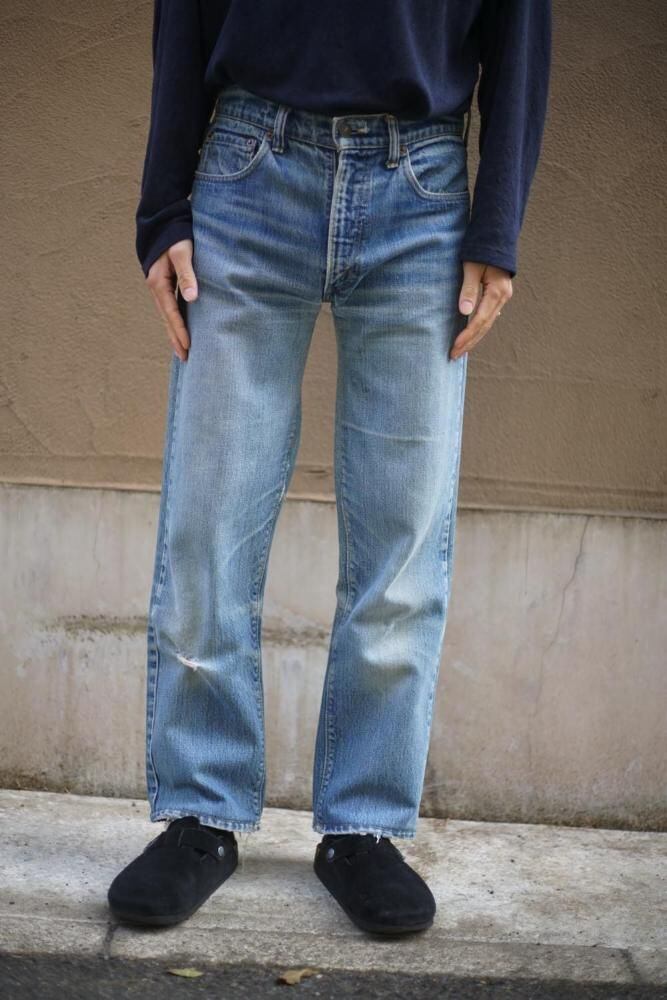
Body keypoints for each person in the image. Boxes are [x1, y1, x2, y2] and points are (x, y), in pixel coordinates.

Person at [108, 0, 551, 936]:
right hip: (245, 169)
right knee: (207, 523)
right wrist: (162, 207)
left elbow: (520, 25)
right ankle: (200, 815)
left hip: (421, 188)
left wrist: (498, 225)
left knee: (401, 538)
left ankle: (362, 828)